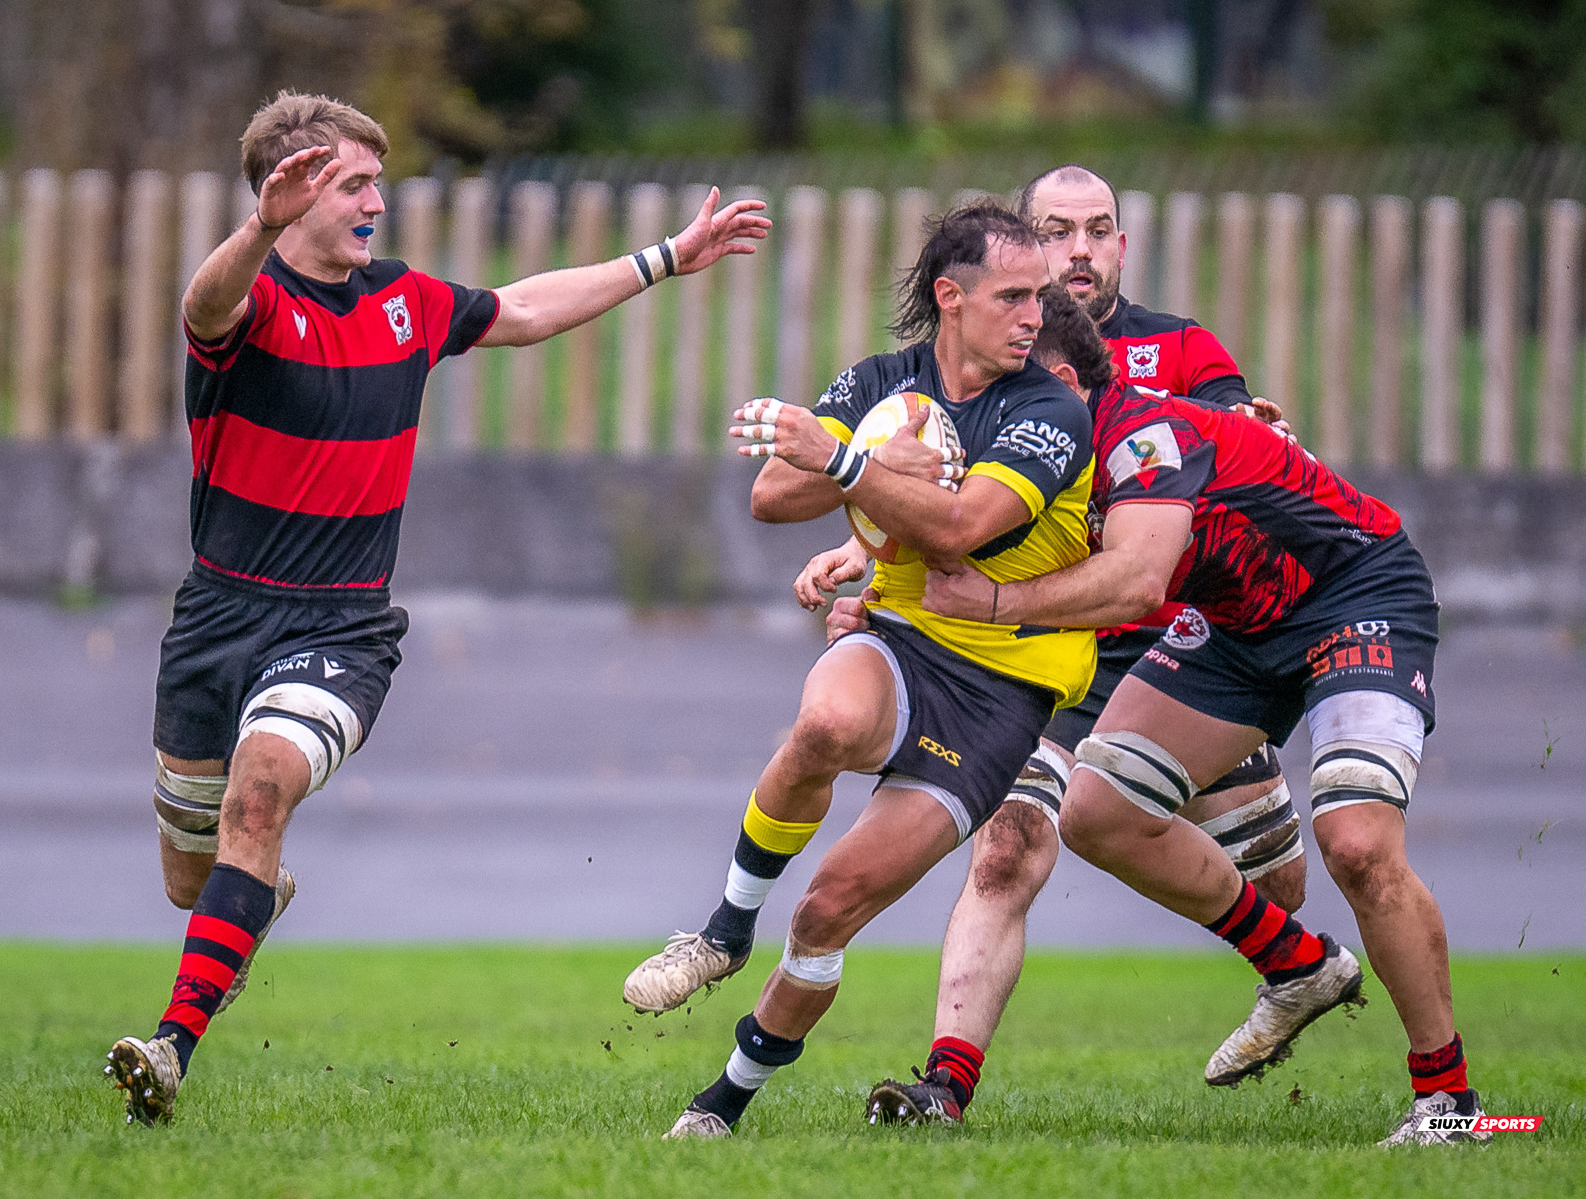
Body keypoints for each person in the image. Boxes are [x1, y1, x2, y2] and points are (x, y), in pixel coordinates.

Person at [103, 90, 770, 1127]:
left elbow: (527, 307)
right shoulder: (254, 303)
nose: (378, 198)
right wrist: (257, 231)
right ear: (293, 191)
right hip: (216, 623)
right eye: (354, 182)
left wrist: (667, 258)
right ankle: (251, 894)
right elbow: (201, 306)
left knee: (260, 790)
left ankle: (171, 1049)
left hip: (340, 628)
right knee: (196, 883)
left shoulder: (407, 301)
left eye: (378, 179)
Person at [895, 289, 1487, 1147]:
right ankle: (1297, 964)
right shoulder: (1041, 454)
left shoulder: (1142, 436)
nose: (975, 405)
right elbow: (948, 525)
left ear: (1058, 383)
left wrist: (992, 601)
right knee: (1098, 812)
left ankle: (1450, 1101)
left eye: (993, 385)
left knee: (1356, 841)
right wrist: (866, 572)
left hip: (1356, 594)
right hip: (1239, 624)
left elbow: (1135, 585)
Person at [797, 164, 1307, 1127]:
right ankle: (945, 1087)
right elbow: (953, 502)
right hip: (1042, 649)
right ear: (1022, 253)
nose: (1078, 249)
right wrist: (863, 561)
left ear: (1122, 246)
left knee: (1279, 880)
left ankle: (1294, 969)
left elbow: (1229, 449)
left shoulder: (1182, 350)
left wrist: (1261, 436)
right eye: (1056, 231)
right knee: (1009, 846)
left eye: (1099, 229)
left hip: (1180, 651)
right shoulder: (984, 369)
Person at [627, 202, 1099, 1140]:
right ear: (949, 297)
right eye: (1013, 296)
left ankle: (726, 1096)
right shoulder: (882, 381)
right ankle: (722, 930)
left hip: (1002, 694)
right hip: (902, 636)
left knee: (828, 909)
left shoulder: (1050, 410)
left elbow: (963, 527)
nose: (1033, 316)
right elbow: (772, 495)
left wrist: (848, 458)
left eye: (1038, 298)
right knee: (825, 723)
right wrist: (871, 458)